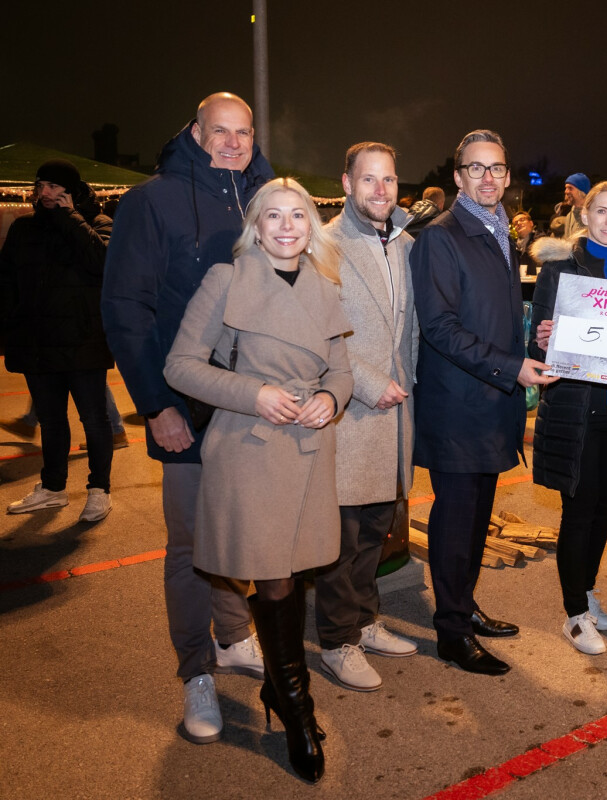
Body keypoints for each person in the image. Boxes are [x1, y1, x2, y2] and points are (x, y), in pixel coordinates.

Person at [164, 177, 352, 783]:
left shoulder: (325, 286)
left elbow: (342, 371)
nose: (288, 225)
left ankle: (278, 687)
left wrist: (330, 396)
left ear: (311, 224)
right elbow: (181, 366)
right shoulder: (228, 279)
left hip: (309, 445)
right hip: (252, 447)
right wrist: (255, 393)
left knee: (295, 574)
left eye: (299, 214)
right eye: (274, 215)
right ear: (256, 224)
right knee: (273, 579)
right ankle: (296, 707)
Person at [101, 92, 272, 744]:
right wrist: (156, 405)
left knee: (241, 535)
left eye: (242, 132)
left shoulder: (267, 202)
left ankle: (232, 635)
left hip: (255, 408)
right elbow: (125, 309)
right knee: (192, 545)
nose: (231, 142)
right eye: (218, 131)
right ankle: (196, 669)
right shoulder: (154, 201)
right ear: (196, 134)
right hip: (188, 408)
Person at [410, 130, 557, 675]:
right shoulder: (442, 236)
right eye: (477, 169)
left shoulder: (499, 232)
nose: (489, 178)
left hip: (492, 398)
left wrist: (535, 337)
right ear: (457, 176)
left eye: (497, 168)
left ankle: (464, 607)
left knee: (475, 521)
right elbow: (440, 327)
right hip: (459, 404)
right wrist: (511, 366)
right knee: (454, 522)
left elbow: (492, 314)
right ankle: (450, 631)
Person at [313, 143, 421, 692]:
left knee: (377, 530)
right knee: (344, 536)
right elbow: (319, 336)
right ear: (347, 183)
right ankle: (336, 640)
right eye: (369, 180)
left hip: (396, 416)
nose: (381, 191)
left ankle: (364, 620)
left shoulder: (403, 242)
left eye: (389, 180)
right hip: (354, 410)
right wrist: (371, 385)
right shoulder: (326, 245)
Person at [527, 181, 607, 655]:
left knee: (604, 510)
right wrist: (544, 337)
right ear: (586, 215)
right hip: (577, 412)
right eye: (602, 211)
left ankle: (587, 590)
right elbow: (535, 348)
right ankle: (574, 614)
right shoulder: (559, 269)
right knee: (578, 512)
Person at [1, 160, 115, 523]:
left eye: (54, 186)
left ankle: (99, 491)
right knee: (51, 422)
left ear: (71, 190)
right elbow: (7, 282)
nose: (45, 193)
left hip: (84, 341)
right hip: (38, 343)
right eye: (41, 186)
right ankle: (53, 489)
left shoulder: (97, 223)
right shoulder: (24, 229)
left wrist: (72, 220)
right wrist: (12, 324)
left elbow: (103, 263)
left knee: (94, 421)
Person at [549, 173, 590, 239]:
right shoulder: (569, 216)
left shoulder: (592, 215)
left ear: (582, 191)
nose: (566, 191)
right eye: (566, 188)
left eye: (570, 188)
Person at [512, 211, 543, 275]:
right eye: (515, 223)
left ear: (531, 223)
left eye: (522, 220)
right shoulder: (512, 246)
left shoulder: (541, 241)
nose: (518, 223)